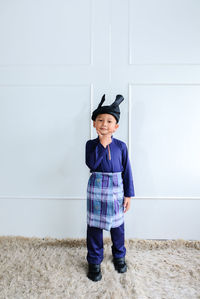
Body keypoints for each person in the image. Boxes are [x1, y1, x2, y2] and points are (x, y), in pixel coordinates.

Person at [85, 94, 135, 282]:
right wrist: (102, 145)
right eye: (100, 120)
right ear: (94, 124)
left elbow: (127, 170)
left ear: (116, 127)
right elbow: (91, 163)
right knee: (94, 228)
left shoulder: (121, 147)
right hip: (96, 191)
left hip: (116, 191)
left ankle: (119, 255)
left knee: (118, 227)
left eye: (109, 121)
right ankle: (94, 261)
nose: (104, 124)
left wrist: (128, 194)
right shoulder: (90, 145)